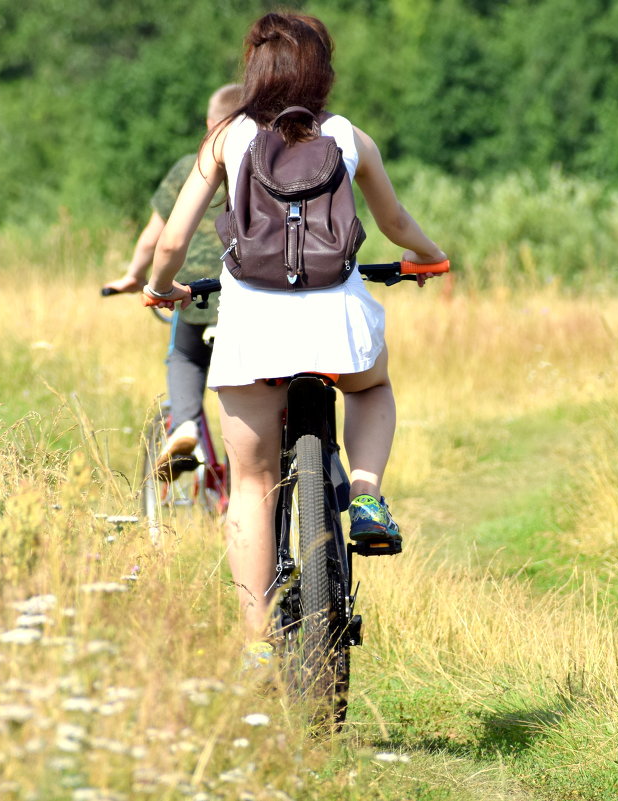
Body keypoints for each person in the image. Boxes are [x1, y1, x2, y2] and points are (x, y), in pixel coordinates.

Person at [142, 12, 448, 641]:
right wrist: (429, 255)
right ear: (322, 71)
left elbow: (172, 239)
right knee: (370, 386)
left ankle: (256, 644)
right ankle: (364, 493)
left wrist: (159, 288)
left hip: (253, 325)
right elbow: (394, 223)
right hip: (336, 317)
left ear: (253, 69)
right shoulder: (347, 136)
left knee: (252, 484)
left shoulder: (225, 137)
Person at [104, 84, 244, 477]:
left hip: (194, 295)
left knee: (184, 355)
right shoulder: (267, 159)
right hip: (255, 289)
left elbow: (154, 237)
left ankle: (184, 425)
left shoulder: (192, 164)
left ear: (209, 123)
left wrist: (134, 277)